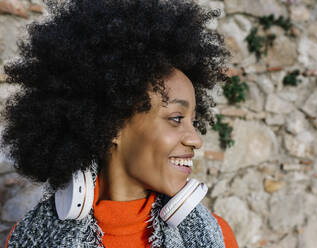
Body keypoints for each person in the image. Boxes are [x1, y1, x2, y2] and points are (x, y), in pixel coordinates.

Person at [2, 0, 238, 247]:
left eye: (194, 120)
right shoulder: (29, 239)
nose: (196, 139)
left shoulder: (217, 237)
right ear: (113, 124)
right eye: (176, 118)